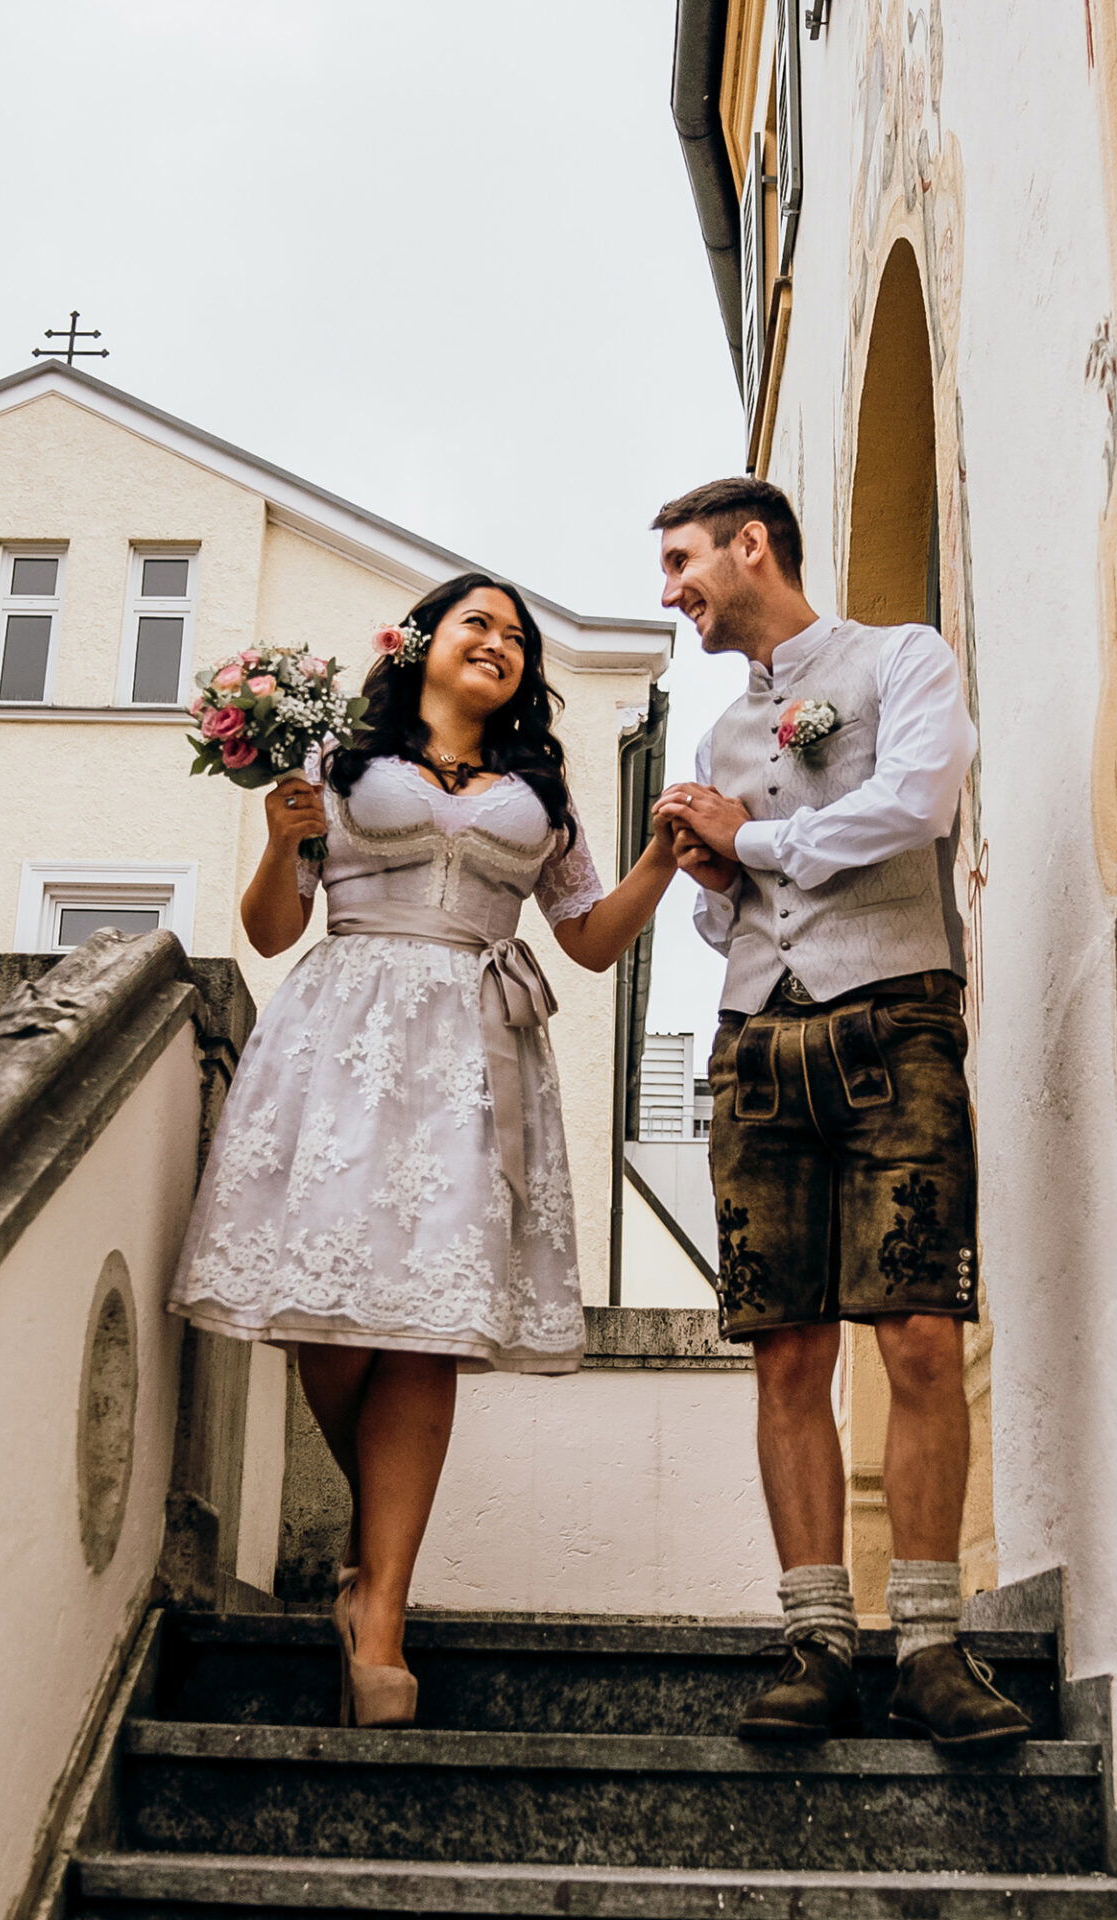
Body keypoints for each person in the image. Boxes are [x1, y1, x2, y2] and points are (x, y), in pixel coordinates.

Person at [169, 572, 678, 1727]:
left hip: (478, 1052)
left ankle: (381, 1613)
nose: (499, 642)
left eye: (517, 636)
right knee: (331, 1312)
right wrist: (279, 844)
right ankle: (373, 1553)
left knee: (428, 1330)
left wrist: (656, 859)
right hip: (343, 1038)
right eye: (476, 623)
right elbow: (271, 932)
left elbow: (589, 939)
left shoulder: (542, 791)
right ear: (420, 644)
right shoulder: (337, 763)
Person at [651, 477, 1031, 1751]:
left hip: (896, 1023)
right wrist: (712, 873)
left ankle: (928, 1645)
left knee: (920, 1334)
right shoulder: (720, 737)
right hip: (756, 1045)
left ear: (752, 545)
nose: (673, 591)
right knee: (786, 1351)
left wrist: (753, 842)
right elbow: (729, 923)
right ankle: (817, 1642)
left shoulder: (901, 658)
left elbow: (919, 802)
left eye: (683, 562)